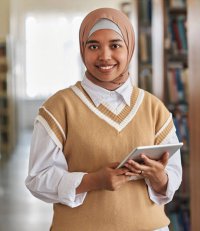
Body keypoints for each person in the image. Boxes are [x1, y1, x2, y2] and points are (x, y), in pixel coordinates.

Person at [25, 7, 182, 231]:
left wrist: (159, 178)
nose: (105, 56)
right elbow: (37, 180)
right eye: (93, 46)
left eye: (115, 45)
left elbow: (173, 177)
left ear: (130, 48)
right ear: (82, 49)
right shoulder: (58, 108)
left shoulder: (154, 108)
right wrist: (93, 181)